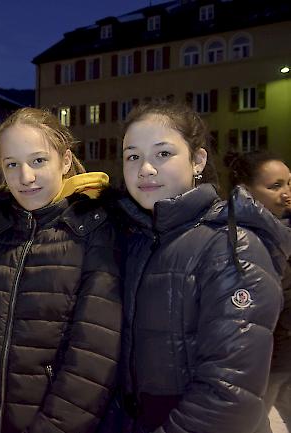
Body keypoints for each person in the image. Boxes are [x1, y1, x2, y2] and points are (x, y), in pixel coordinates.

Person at [0, 108, 122, 433]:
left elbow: (92, 360)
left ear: (65, 161)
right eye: (12, 165)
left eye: (38, 160)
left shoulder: (94, 235)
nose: (25, 177)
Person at [115, 102, 290, 433]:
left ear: (198, 160)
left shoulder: (231, 246)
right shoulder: (136, 240)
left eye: (163, 154)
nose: (145, 169)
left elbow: (229, 393)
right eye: (132, 156)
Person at [224, 150, 291, 429]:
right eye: (275, 186)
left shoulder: (283, 229)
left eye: (289, 182)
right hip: (266, 359)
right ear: (247, 191)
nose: (287, 192)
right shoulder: (243, 239)